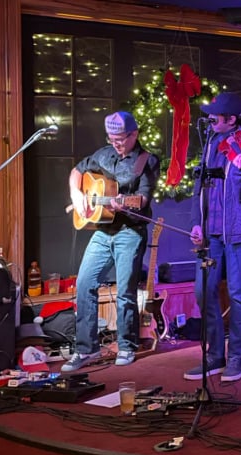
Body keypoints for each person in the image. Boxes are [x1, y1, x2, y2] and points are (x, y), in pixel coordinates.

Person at [63, 111, 160, 371]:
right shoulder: (103, 154)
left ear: (134, 134)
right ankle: (86, 349)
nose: (116, 143)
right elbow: (76, 171)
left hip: (130, 230)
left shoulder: (146, 161)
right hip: (102, 230)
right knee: (84, 283)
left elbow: (142, 200)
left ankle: (127, 346)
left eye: (120, 139)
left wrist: (124, 205)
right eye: (112, 138)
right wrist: (76, 194)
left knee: (125, 290)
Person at [183, 92, 241, 382]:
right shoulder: (210, 142)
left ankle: (236, 357)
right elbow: (201, 184)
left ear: (231, 119)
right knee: (202, 290)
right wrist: (198, 222)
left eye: (215, 116)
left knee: (237, 293)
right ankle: (215, 355)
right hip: (212, 232)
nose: (209, 119)